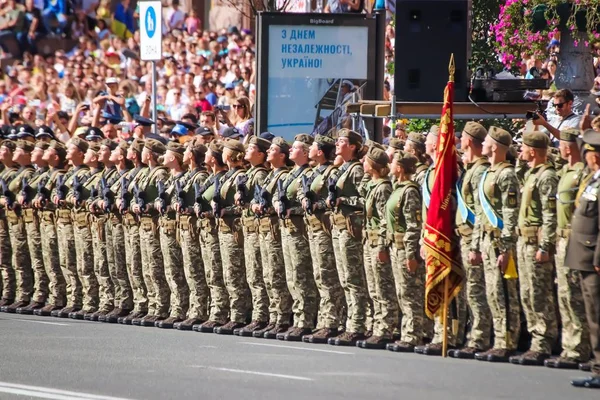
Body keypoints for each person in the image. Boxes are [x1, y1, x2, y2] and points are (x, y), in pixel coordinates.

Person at [471, 127, 522, 363]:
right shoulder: (488, 173)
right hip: (485, 239)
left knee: (503, 292)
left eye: (486, 143)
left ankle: (507, 341)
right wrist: (475, 245)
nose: (482, 146)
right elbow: (481, 215)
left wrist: (506, 247)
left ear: (495, 147)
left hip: (499, 240)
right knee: (492, 291)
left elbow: (510, 214)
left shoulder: (506, 174)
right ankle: (498, 339)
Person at [510, 131, 559, 366]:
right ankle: (534, 340)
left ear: (533, 150)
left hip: (535, 242)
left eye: (524, 148)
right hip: (523, 241)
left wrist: (545, 245)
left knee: (540, 294)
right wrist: (521, 162)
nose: (520, 152)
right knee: (527, 294)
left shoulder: (547, 176)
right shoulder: (531, 173)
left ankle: (543, 341)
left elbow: (550, 215)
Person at [546, 128, 591, 369]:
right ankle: (569, 345)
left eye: (564, 143)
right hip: (561, 239)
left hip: (575, 239)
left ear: (569, 146)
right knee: (563, 294)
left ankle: (580, 348)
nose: (561, 148)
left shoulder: (582, 173)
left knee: (575, 296)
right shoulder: (564, 171)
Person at [300, 135, 346, 343]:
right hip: (312, 229)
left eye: (313, 147)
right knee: (319, 276)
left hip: (324, 229)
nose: (310, 149)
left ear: (320, 152)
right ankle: (324, 320)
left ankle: (332, 322)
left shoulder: (330, 173)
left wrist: (320, 205)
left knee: (328, 277)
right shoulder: (313, 173)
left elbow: (332, 200)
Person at [453, 122, 492, 359]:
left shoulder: (479, 171)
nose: (459, 140)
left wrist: (476, 245)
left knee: (477, 291)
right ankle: (471, 335)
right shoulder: (470, 168)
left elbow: (479, 211)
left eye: (462, 137)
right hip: (464, 237)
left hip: (474, 238)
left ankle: (479, 337)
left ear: (469, 141)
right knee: (469, 290)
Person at [328, 129, 370, 346]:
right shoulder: (341, 169)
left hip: (350, 230)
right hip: (338, 228)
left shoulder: (356, 170)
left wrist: (344, 201)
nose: (337, 144)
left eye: (341, 141)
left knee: (353, 279)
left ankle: (358, 324)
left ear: (352, 146)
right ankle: (349, 322)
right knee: (344, 278)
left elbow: (366, 200)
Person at [273, 134, 318, 341]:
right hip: (287, 229)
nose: (291, 150)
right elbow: (277, 195)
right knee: (291, 276)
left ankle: (304, 320)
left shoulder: (307, 174)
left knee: (301, 276)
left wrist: (295, 209)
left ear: (306, 152)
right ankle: (296, 318)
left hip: (299, 230)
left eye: (296, 148)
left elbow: (307, 202)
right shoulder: (291, 174)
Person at [565, 129, 600, 389]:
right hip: (584, 256)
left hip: (593, 258)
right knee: (592, 315)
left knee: (597, 316)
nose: (584, 155)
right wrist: (584, 130)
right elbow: (579, 145)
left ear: (594, 157)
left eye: (588, 153)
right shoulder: (593, 178)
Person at [359, 146, 398, 349]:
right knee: (373, 288)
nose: (362, 163)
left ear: (373, 164)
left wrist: (383, 246)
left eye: (366, 160)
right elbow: (360, 189)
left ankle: (386, 328)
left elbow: (385, 220)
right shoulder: (374, 184)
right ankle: (377, 326)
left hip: (378, 243)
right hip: (369, 242)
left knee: (383, 287)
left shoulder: (383, 188)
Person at [385, 151, 425, 353]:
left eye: (392, 162)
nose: (389, 165)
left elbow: (413, 225)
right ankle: (407, 332)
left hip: (404, 248)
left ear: (399, 167)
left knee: (409, 292)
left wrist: (411, 254)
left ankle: (413, 334)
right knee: (402, 291)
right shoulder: (397, 188)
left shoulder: (409, 191)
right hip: (395, 246)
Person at [212, 139, 251, 335]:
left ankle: (238, 315)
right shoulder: (228, 176)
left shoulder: (240, 176)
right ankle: (230, 312)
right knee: (227, 273)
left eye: (225, 151)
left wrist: (225, 209)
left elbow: (241, 205)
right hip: (224, 229)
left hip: (234, 229)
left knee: (235, 273)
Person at [235, 136, 270, 336]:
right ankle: (259, 315)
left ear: (260, 154)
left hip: (256, 230)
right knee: (253, 275)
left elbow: (260, 205)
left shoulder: (259, 175)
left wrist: (246, 203)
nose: (246, 150)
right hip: (249, 228)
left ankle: (261, 316)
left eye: (251, 148)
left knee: (258, 275)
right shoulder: (250, 173)